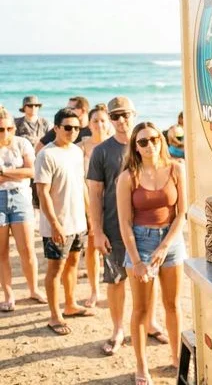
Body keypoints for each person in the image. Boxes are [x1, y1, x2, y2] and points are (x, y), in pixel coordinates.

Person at [87, 96, 166, 355]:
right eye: (115, 116)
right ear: (110, 119)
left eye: (125, 114)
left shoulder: (148, 145)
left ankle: (151, 323)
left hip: (146, 228)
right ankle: (118, 329)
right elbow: (95, 194)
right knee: (116, 280)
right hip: (113, 228)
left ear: (134, 114)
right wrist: (97, 232)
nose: (121, 120)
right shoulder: (101, 151)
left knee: (148, 279)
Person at [118, 122, 187, 385]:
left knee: (173, 305)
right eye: (143, 141)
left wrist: (165, 247)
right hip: (140, 243)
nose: (150, 145)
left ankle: (175, 357)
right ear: (135, 147)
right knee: (141, 309)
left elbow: (181, 213)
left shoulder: (176, 169)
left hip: (170, 242)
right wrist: (136, 260)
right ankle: (141, 367)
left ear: (161, 140)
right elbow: (124, 222)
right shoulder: (128, 177)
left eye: (154, 139)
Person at [34, 108, 95, 336]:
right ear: (56, 128)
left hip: (77, 221)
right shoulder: (46, 155)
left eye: (77, 128)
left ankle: (70, 304)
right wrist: (56, 224)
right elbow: (43, 193)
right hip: (57, 226)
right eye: (67, 127)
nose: (72, 131)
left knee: (72, 264)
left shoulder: (77, 153)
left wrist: (90, 216)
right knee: (55, 269)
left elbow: (82, 186)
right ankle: (54, 315)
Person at [0, 107, 46, 311]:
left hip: (20, 198)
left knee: (27, 250)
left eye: (10, 128)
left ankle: (33, 289)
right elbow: (24, 172)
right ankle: (9, 295)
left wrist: (5, 172)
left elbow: (32, 171)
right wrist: (17, 174)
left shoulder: (22, 143)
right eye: (1, 130)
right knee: (1, 253)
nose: (6, 133)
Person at [76, 104, 112, 308]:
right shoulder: (82, 147)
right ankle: (94, 291)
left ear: (109, 124)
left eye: (103, 120)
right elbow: (79, 179)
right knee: (92, 246)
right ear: (89, 124)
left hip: (113, 202)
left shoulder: (115, 144)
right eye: (95, 120)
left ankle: (114, 288)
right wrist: (89, 208)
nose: (99, 124)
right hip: (87, 201)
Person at [15, 95, 51, 209]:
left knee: (40, 189)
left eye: (36, 105)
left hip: (41, 159)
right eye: (30, 105)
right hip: (23, 161)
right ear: (24, 108)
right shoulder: (17, 123)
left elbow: (51, 140)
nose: (33, 108)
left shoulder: (45, 123)